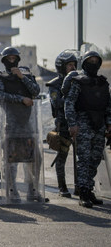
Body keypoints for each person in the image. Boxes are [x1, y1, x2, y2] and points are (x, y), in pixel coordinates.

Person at [0, 46, 42, 202]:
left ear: (18, 59)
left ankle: (33, 190)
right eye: (8, 58)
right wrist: (21, 99)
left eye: (14, 58)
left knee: (34, 158)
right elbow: (0, 95)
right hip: (10, 124)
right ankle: (12, 192)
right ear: (3, 60)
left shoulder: (26, 75)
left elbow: (35, 91)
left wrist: (22, 77)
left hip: (27, 124)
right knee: (11, 160)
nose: (11, 61)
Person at [62, 50, 111, 208]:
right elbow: (69, 103)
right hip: (83, 123)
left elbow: (108, 105)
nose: (93, 63)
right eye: (90, 61)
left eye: (96, 61)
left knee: (95, 159)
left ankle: (89, 189)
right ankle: (83, 192)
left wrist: (109, 123)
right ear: (83, 62)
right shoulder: (78, 81)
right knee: (83, 159)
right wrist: (72, 124)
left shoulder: (103, 83)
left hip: (99, 124)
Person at [45, 50, 78, 198]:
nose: (72, 67)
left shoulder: (79, 80)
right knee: (62, 157)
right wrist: (72, 98)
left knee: (82, 158)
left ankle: (81, 187)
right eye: (69, 65)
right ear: (62, 66)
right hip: (63, 124)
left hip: (79, 123)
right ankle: (62, 187)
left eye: (74, 65)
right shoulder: (55, 84)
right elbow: (57, 102)